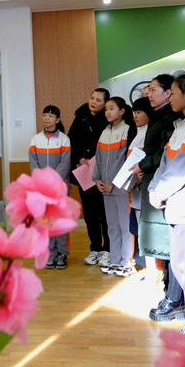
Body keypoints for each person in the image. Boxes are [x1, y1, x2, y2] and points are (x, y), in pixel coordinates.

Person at [148, 74, 185, 328]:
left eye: (173, 93)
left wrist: (159, 193)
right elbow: (165, 164)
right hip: (174, 205)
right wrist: (154, 189)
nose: (170, 97)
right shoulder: (180, 126)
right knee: (180, 264)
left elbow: (181, 169)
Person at [130, 74, 183, 321]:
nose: (148, 94)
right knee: (164, 242)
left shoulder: (172, 119)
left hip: (165, 186)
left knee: (172, 244)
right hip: (155, 181)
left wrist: (144, 164)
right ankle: (170, 293)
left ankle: (175, 298)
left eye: (153, 89)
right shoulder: (160, 116)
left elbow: (165, 154)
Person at [92, 97, 136, 276]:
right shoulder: (104, 132)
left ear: (122, 111)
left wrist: (111, 181)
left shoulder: (127, 130)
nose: (108, 112)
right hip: (105, 188)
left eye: (112, 108)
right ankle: (116, 260)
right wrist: (97, 179)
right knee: (112, 225)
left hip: (120, 187)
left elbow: (122, 159)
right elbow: (98, 158)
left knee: (125, 226)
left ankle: (127, 261)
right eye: (106, 109)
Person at [68, 88, 111, 266]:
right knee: (90, 214)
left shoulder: (108, 119)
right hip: (84, 171)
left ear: (105, 104)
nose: (93, 102)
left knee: (104, 213)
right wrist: (79, 157)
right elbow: (71, 142)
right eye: (92, 98)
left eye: (98, 100)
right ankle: (95, 248)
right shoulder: (80, 117)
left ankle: (108, 249)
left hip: (103, 172)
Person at [28, 105, 72, 269]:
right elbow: (34, 164)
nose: (47, 118)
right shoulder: (35, 140)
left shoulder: (64, 139)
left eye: (51, 116)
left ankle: (62, 253)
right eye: (45, 115)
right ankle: (50, 253)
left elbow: (65, 164)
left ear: (58, 119)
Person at [127, 97, 152, 270]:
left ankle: (153, 271)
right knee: (137, 229)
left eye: (139, 112)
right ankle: (144, 266)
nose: (135, 116)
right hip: (133, 191)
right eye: (134, 113)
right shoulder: (137, 134)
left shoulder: (148, 135)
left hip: (143, 190)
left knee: (146, 232)